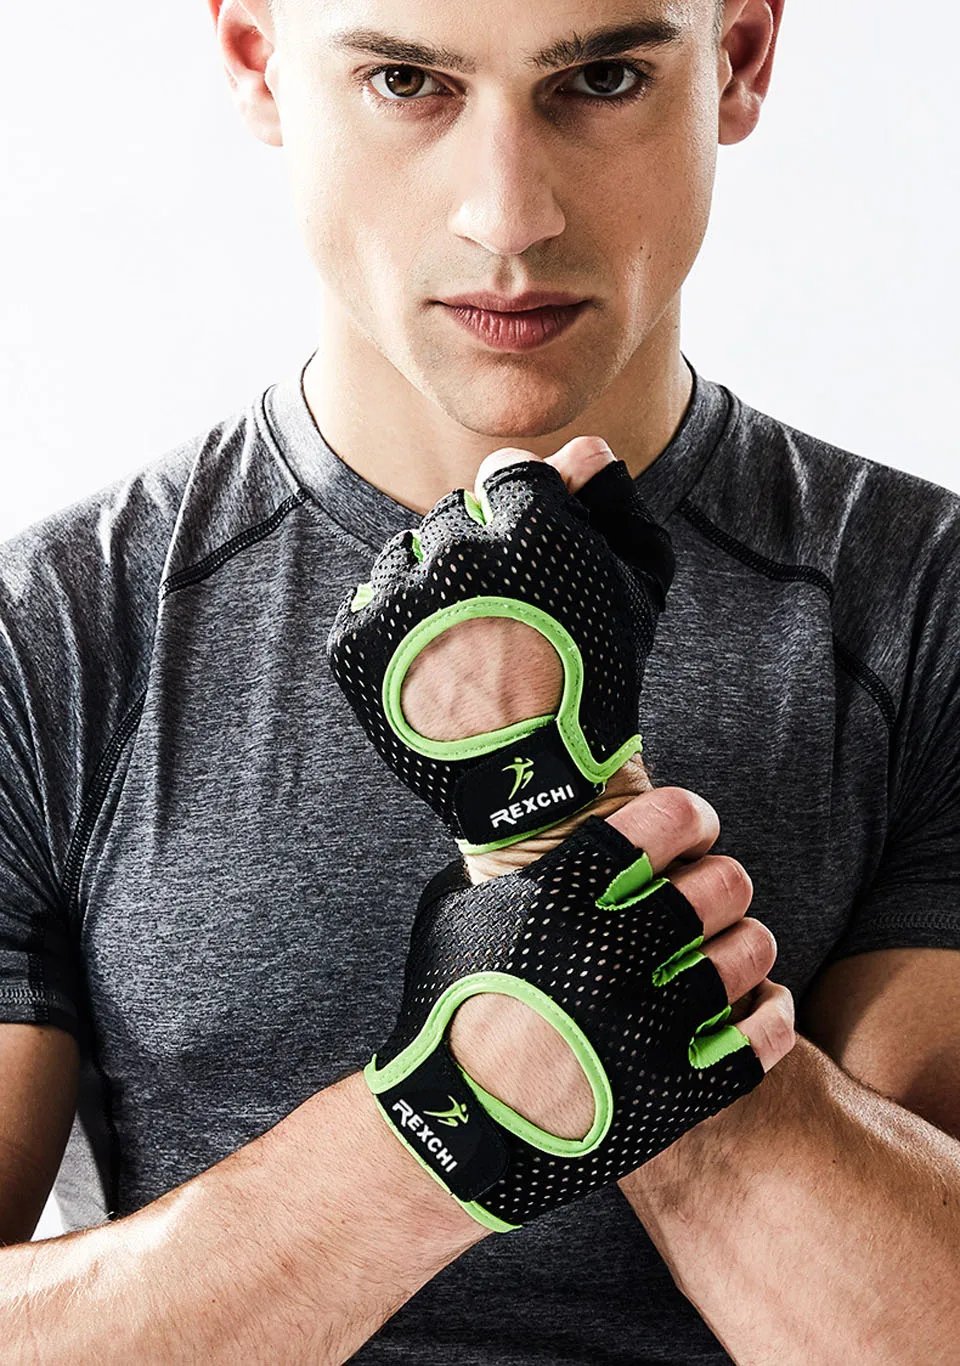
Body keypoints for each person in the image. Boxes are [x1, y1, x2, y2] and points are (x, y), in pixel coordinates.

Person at [1, 0, 958, 1360]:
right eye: (408, 81)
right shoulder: (47, 637)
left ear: (739, 58)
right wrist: (439, 1128)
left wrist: (553, 818)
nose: (509, 218)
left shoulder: (929, 611)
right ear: (256, 58)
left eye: (604, 78)